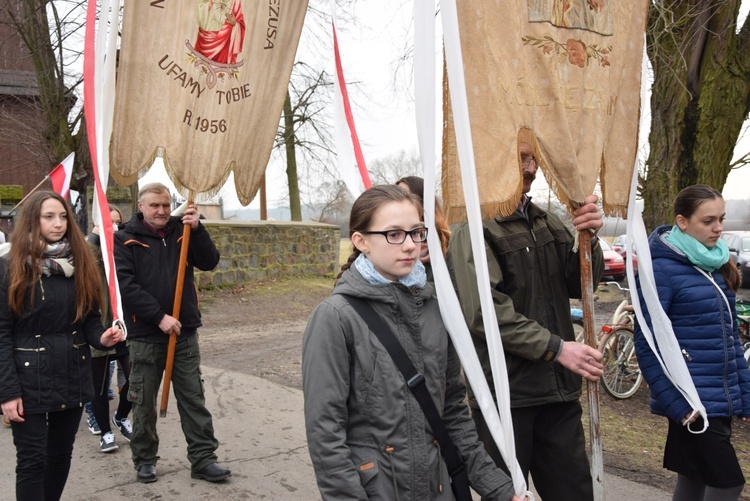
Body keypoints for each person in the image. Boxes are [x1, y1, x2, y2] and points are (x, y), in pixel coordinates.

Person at [303, 185, 523, 501]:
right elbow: (326, 436)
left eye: (417, 232)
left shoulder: (436, 307)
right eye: (394, 234)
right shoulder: (335, 318)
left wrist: (501, 490)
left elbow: (452, 413)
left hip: (439, 487)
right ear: (360, 241)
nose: (410, 246)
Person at [446, 133, 605, 500]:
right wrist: (557, 348)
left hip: (559, 394)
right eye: (521, 158)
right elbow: (484, 312)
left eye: (534, 159)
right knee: (508, 495)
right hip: (507, 396)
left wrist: (589, 238)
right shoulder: (473, 225)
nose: (531, 168)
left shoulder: (546, 221)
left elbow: (580, 284)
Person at [0, 190, 124, 501]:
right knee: (31, 461)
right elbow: (1, 332)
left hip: (71, 370)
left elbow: (90, 319)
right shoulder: (8, 266)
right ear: (32, 220)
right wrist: (8, 392)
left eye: (63, 216)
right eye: (48, 217)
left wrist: (101, 337)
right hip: (27, 378)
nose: (58, 223)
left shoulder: (79, 261)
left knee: (59, 455)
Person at [633, 184, 750, 501]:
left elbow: (729, 342)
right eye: (708, 220)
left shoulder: (713, 265)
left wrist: (745, 395)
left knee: (693, 478)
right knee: (729, 483)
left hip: (718, 397)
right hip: (691, 401)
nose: (719, 228)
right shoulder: (661, 270)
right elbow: (648, 345)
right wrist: (678, 405)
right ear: (682, 222)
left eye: (721, 219)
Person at [114, 183, 230, 484]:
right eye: (155, 205)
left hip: (184, 333)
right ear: (141, 205)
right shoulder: (124, 239)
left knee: (194, 399)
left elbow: (210, 262)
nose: (162, 211)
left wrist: (199, 229)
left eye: (166, 205)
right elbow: (127, 287)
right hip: (145, 335)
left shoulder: (185, 230)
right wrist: (159, 317)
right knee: (143, 403)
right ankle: (145, 460)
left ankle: (204, 459)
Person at [87, 205, 133, 453]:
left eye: (117, 222)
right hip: (100, 326)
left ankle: (121, 417)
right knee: (99, 386)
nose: (112, 227)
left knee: (137, 380)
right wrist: (96, 237)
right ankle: (105, 432)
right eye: (107, 222)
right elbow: (88, 266)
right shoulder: (90, 249)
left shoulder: (124, 249)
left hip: (124, 324)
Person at [395, 175, 452, 285]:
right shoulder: (387, 240)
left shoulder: (446, 242)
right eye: (396, 194)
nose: (398, 201)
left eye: (405, 195)